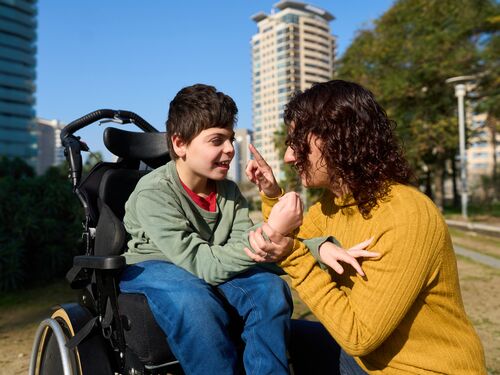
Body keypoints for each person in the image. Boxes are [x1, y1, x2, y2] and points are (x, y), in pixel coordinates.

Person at [245, 80, 487, 374]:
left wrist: (293, 255)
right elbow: (293, 237)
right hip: (367, 363)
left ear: (338, 138)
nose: (289, 157)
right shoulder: (330, 205)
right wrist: (272, 195)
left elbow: (360, 337)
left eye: (298, 144)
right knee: (265, 333)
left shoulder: (407, 214)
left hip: (423, 368)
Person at [119, 84, 304, 375]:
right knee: (194, 302)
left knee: (269, 290)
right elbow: (206, 265)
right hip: (154, 265)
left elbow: (244, 245)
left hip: (209, 262)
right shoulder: (152, 193)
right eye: (216, 140)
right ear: (180, 144)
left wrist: (318, 247)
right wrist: (271, 231)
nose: (230, 149)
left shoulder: (228, 192)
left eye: (230, 139)